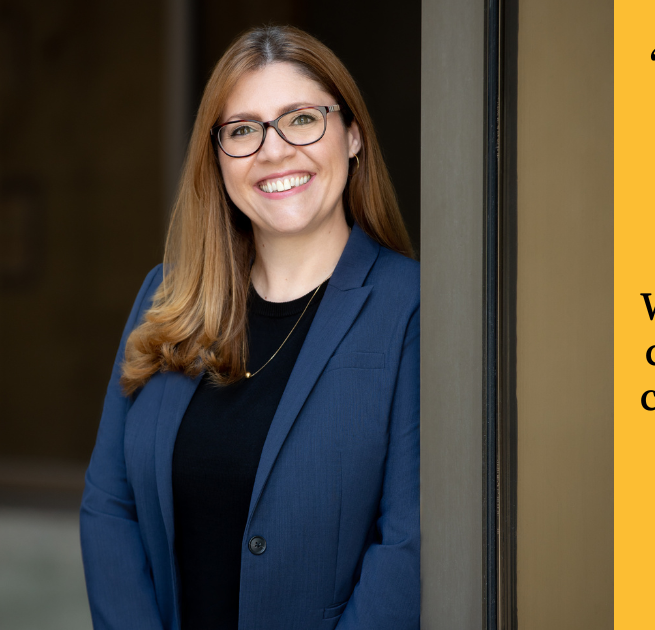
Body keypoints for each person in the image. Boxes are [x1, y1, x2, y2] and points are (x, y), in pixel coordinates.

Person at [79, 25, 419, 629]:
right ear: (218, 159)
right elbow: (111, 507)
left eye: (301, 119)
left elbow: (406, 548)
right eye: (243, 130)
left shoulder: (413, 308)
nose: (274, 150)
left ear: (353, 135)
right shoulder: (165, 297)